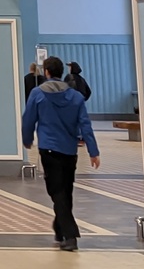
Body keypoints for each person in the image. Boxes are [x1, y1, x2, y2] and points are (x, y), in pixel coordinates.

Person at [22, 55, 100, 250]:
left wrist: (27, 139)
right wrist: (93, 151)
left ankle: (70, 235)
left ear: (47, 72)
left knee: (56, 191)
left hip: (49, 149)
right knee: (66, 189)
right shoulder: (75, 97)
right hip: (69, 150)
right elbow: (85, 124)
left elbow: (28, 118)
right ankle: (59, 228)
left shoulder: (38, 94)